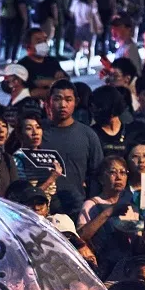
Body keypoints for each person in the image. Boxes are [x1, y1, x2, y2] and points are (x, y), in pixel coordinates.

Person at [41, 80, 103, 216]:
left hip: (77, 209)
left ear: (76, 101)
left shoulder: (88, 135)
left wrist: (90, 206)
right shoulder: (38, 132)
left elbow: (97, 175)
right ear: (48, 101)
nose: (63, 105)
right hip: (41, 208)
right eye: (57, 99)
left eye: (68, 99)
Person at [17, 27, 67, 101]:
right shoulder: (22, 66)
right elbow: (28, 90)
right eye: (39, 41)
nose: (44, 44)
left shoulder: (52, 61)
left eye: (45, 40)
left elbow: (65, 80)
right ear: (28, 45)